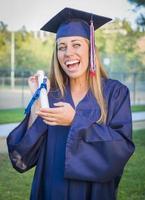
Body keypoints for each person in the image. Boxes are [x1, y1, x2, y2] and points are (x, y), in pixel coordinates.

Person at [7, 7, 135, 200]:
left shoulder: (115, 93)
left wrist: (76, 121)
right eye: (62, 47)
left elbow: (121, 149)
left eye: (76, 45)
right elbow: (21, 158)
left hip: (94, 193)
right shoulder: (51, 96)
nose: (68, 53)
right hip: (51, 191)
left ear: (91, 49)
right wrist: (37, 107)